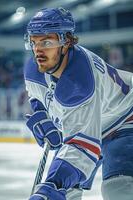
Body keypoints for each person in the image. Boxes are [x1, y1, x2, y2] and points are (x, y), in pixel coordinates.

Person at [23, 7, 133, 200]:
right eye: (33, 42)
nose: (38, 50)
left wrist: (51, 187)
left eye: (47, 42)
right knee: (67, 191)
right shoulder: (33, 68)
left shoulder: (80, 81)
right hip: (95, 122)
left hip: (126, 118)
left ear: (66, 42)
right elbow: (37, 97)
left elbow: (83, 147)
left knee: (118, 189)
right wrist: (43, 116)